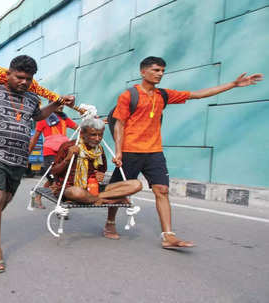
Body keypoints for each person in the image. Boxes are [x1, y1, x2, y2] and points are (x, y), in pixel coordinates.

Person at [110, 56, 263, 248]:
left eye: (163, 71)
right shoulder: (129, 95)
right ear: (143, 72)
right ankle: (110, 222)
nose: (160, 74)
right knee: (118, 192)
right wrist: (118, 151)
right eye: (156, 70)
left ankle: (168, 235)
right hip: (130, 150)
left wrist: (232, 84)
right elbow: (119, 124)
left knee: (162, 190)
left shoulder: (163, 95)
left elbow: (198, 95)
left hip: (154, 151)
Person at [0, 55, 74, 273]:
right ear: (8, 73)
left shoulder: (32, 97)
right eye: (19, 77)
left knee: (6, 200)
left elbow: (38, 116)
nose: (24, 82)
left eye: (28, 79)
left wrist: (57, 103)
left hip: (19, 157)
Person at [50, 117, 141, 205]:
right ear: (82, 134)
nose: (98, 139)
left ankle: (99, 198)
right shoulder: (68, 146)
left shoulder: (99, 150)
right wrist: (67, 159)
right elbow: (54, 171)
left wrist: (100, 174)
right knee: (76, 192)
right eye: (93, 135)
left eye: (100, 135)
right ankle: (107, 199)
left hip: (94, 188)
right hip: (70, 188)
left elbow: (101, 171)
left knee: (136, 184)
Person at [28, 103, 78, 208]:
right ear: (52, 104)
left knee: (58, 178)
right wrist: (28, 152)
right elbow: (35, 137)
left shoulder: (65, 118)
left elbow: (79, 128)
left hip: (63, 151)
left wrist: (92, 122)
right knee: (53, 177)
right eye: (59, 104)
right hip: (50, 151)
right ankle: (60, 205)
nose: (61, 106)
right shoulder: (43, 119)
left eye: (62, 105)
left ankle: (38, 196)